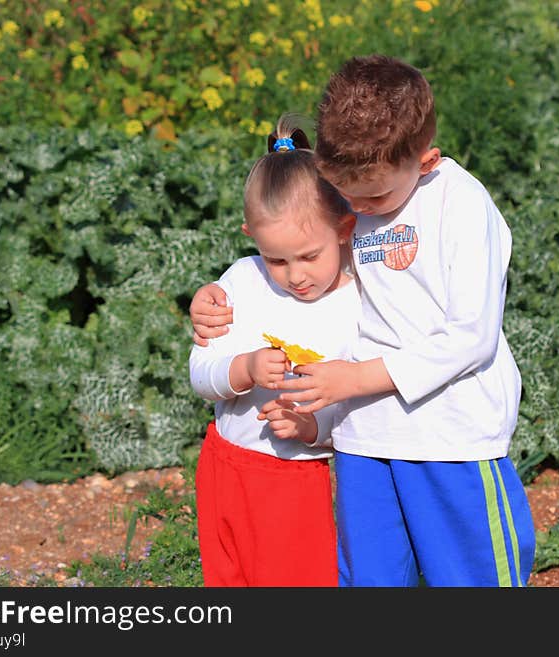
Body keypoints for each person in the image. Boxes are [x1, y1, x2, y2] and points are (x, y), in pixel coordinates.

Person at [189, 55, 534, 587]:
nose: (357, 209)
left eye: (371, 198)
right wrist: (214, 299)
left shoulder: (460, 205)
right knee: (369, 579)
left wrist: (354, 378)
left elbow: (472, 336)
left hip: (451, 434)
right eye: (345, 194)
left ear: (426, 161)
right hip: (363, 437)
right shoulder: (355, 189)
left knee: (470, 575)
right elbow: (295, 261)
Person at [188, 115, 358, 587]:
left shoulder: (357, 305)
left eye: (309, 256)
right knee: (227, 577)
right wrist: (242, 368)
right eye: (276, 259)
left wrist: (311, 427)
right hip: (225, 462)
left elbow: (358, 409)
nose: (295, 275)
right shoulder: (242, 281)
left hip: (299, 477)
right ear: (251, 237)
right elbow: (201, 373)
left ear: (344, 228)